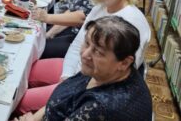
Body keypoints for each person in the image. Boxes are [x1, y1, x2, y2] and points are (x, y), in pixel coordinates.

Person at [17, 0, 150, 113]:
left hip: (90, 84)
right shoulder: (100, 7)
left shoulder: (132, 24)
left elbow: (112, 80)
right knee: (26, 68)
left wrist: (67, 88)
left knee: (21, 101)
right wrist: (66, 76)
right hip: (77, 73)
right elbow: (78, 44)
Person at [14, 16, 152, 121]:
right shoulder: (106, 71)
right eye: (86, 43)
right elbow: (63, 99)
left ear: (124, 62)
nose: (85, 55)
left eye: (98, 52)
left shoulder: (101, 107)